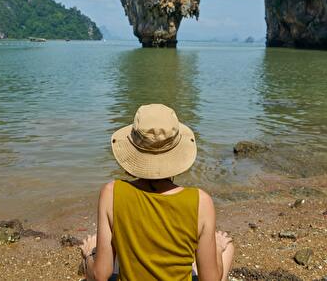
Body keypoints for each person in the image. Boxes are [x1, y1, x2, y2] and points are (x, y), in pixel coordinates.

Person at [80, 104, 234, 281]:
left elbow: (101, 275)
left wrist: (88, 255)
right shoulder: (201, 201)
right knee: (226, 248)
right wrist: (218, 250)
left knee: (94, 252)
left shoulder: (111, 193)